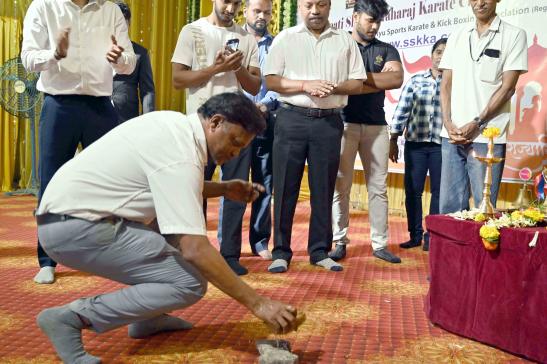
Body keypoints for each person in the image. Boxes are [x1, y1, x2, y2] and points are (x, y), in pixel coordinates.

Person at [34, 92, 299, 363]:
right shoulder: (182, 154)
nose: (235, 154)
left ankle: (147, 318)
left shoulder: (173, 125)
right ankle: (69, 318)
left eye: (242, 149)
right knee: (189, 280)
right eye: (234, 143)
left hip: (66, 219)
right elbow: (194, 248)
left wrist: (222, 188)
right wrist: (259, 303)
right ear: (215, 122)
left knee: (168, 237)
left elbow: (161, 182)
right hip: (76, 228)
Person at [21, 0, 136, 284]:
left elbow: (130, 63)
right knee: (51, 183)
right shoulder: (44, 6)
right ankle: (47, 259)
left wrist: (118, 59)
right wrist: (54, 54)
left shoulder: (110, 10)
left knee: (109, 183)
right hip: (59, 105)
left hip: (100, 105)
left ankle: (107, 252)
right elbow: (28, 58)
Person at [264, 0, 367, 273]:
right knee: (285, 188)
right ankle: (281, 252)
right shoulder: (285, 39)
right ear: (300, 7)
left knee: (323, 188)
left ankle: (319, 250)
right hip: (290, 119)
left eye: (320, 4)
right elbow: (271, 80)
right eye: (309, 4)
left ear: (329, 7)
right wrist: (305, 85)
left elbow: (358, 82)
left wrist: (332, 87)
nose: (315, 10)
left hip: (329, 123)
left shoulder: (344, 41)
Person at [171, 0, 262, 275]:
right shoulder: (191, 30)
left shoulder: (247, 37)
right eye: (226, 1)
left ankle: (230, 255)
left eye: (237, 3)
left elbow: (255, 85)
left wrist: (237, 68)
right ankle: (191, 255)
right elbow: (177, 78)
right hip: (201, 128)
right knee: (193, 191)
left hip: (236, 129)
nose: (231, 8)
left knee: (234, 190)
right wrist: (215, 69)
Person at [330, 0, 403, 263]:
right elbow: (335, 82)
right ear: (356, 16)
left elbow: (395, 79)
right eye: (369, 20)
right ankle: (339, 241)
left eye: (378, 21)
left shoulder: (386, 49)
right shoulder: (340, 44)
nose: (374, 26)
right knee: (341, 185)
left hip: (377, 127)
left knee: (378, 188)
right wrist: (373, 80)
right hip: (343, 123)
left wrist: (356, 81)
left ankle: (380, 244)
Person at [439, 0, 528, 214]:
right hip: (452, 135)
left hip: (487, 137)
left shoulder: (514, 34)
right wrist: (448, 122)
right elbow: (446, 84)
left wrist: (477, 122)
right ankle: (452, 250)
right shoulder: (457, 34)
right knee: (450, 210)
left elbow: (507, 88)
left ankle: (480, 250)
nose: (480, 3)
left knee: (483, 210)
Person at [216, 0, 279, 275]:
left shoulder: (278, 45)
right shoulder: (234, 40)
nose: (262, 16)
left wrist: (264, 105)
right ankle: (228, 247)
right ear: (246, 12)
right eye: (257, 11)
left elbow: (280, 83)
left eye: (266, 12)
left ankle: (260, 240)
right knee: (233, 185)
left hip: (266, 122)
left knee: (264, 184)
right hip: (236, 125)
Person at [390, 38, 447, 252]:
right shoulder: (415, 80)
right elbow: (402, 110)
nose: (441, 56)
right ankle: (414, 235)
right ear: (432, 54)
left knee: (439, 192)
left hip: (442, 146)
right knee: (413, 191)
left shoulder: (455, 82)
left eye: (446, 52)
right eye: (438, 51)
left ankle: (431, 236)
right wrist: (393, 139)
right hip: (416, 144)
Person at [112, 1, 156, 122]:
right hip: (98, 119)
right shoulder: (97, 49)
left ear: (129, 24)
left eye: (122, 24)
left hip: (127, 120)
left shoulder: (140, 53)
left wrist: (148, 121)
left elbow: (147, 92)